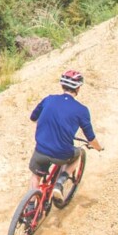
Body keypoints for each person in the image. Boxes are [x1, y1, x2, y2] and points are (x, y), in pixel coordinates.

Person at [28, 70, 104, 202]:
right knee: (78, 154)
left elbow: (33, 117)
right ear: (78, 88)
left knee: (36, 176)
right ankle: (60, 182)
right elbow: (90, 138)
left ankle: (29, 208)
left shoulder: (48, 99)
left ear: (62, 85)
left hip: (41, 149)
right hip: (62, 154)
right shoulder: (81, 110)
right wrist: (99, 148)